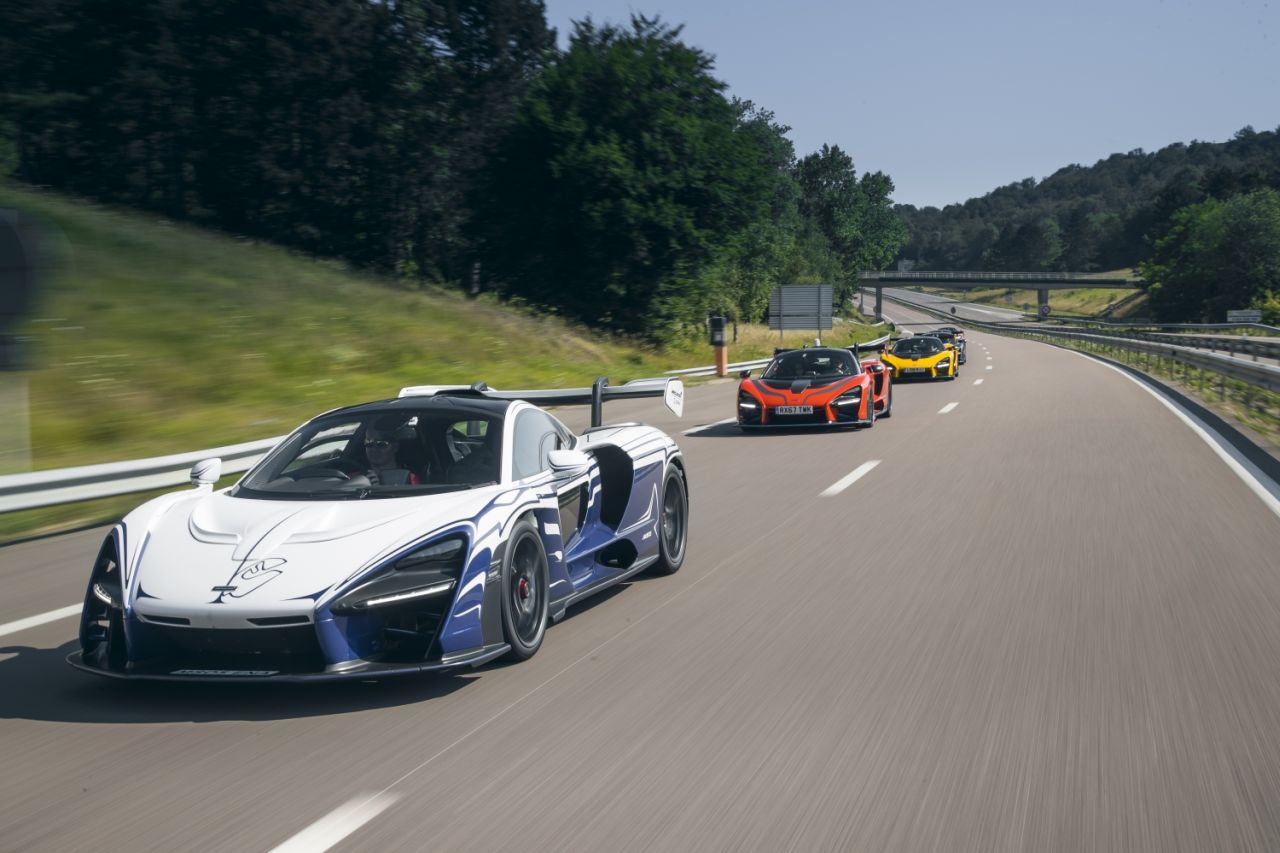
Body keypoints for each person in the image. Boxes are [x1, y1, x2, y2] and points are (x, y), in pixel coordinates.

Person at [363, 415, 424, 485]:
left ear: (395, 447)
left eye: (381, 444)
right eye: (369, 443)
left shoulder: (409, 478)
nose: (374, 449)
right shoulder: (355, 477)